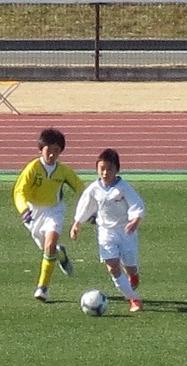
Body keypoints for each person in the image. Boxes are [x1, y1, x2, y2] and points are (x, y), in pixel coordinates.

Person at [70, 148, 146, 314]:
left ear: (116, 169)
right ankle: (134, 299)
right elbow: (85, 205)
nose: (105, 173)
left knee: (130, 266)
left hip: (126, 231)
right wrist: (77, 224)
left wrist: (135, 220)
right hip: (105, 232)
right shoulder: (94, 188)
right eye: (101, 169)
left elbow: (136, 204)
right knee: (112, 266)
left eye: (109, 169)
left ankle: (133, 276)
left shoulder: (123, 187)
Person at [12, 127, 84, 301]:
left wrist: (89, 211)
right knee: (48, 250)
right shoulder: (33, 168)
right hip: (33, 213)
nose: (52, 155)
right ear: (40, 149)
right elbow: (19, 191)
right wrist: (24, 210)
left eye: (56, 151)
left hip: (54, 210)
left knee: (49, 245)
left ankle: (43, 287)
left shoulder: (63, 171)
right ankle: (61, 254)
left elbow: (82, 190)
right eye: (48, 150)